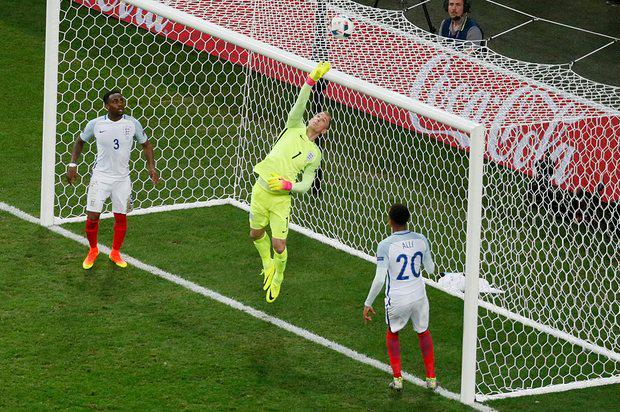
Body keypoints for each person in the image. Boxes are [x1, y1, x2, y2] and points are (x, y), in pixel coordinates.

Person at [249, 61, 332, 303]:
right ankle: (267, 264)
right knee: (255, 234)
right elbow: (300, 103)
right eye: (317, 115)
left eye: (322, 120)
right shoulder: (294, 125)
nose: (317, 118)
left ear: (324, 131)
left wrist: (288, 186)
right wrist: (310, 80)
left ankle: (278, 276)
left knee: (279, 245)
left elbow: (306, 184)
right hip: (260, 189)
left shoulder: (315, 154)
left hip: (280, 200)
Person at [67, 90, 159, 270]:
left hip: (122, 179)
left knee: (121, 217)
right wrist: (72, 164)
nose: (120, 104)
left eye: (121, 100)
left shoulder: (132, 124)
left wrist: (151, 167)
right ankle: (93, 250)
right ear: (106, 106)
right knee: (93, 216)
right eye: (115, 101)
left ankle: (115, 252)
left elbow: (146, 145)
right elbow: (80, 142)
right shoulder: (96, 124)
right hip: (100, 177)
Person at [363, 203, 437, 391]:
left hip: (397, 298)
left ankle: (397, 379)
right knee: (423, 332)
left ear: (390, 221)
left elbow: (380, 279)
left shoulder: (385, 245)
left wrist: (368, 303)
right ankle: (431, 379)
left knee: (393, 332)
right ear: (407, 219)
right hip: (419, 295)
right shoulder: (421, 239)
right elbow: (431, 269)